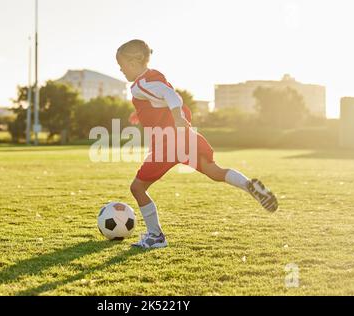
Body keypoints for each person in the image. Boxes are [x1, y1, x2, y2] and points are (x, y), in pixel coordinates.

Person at [116, 39, 278, 249]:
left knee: (137, 188)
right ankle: (249, 186)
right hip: (186, 138)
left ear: (132, 63)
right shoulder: (153, 77)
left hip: (168, 144)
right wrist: (142, 114)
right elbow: (163, 99)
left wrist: (175, 117)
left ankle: (156, 236)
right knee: (215, 171)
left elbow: (171, 96)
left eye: (121, 66)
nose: (121, 70)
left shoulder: (139, 85)